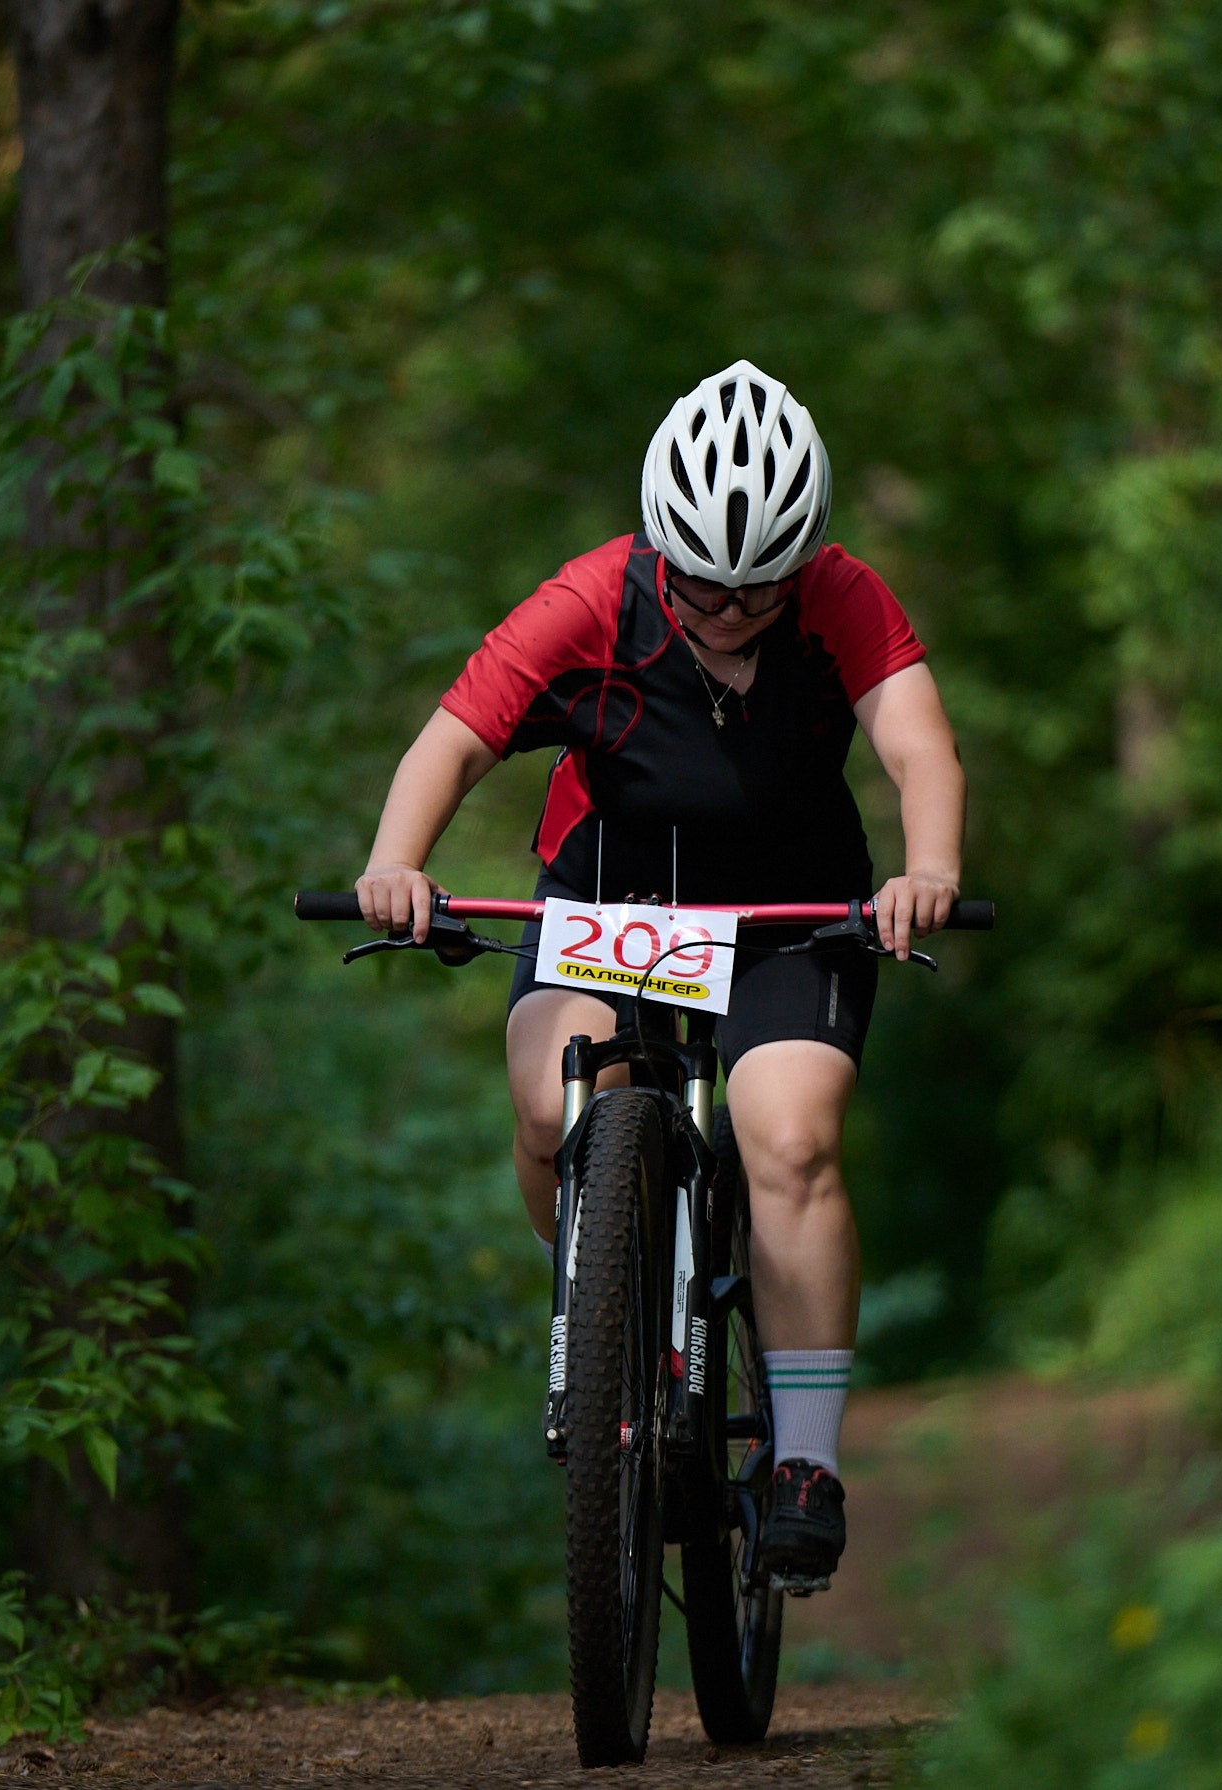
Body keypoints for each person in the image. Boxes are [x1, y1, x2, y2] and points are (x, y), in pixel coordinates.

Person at [354, 359, 966, 1585]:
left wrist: (926, 867)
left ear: (802, 565)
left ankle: (802, 1457)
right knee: (549, 1102)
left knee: (788, 1136)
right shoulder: (585, 600)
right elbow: (453, 741)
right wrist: (394, 864)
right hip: (613, 898)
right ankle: (599, 1298)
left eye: (758, 592)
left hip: (790, 912)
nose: (727, 613)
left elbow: (920, 748)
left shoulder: (844, 596)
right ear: (656, 542)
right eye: (701, 585)